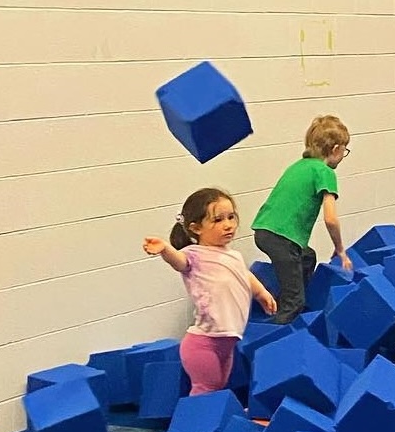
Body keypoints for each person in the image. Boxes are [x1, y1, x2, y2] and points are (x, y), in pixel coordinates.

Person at [143, 187, 276, 396]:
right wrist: (165, 249)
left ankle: (206, 424)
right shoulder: (194, 255)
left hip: (227, 342)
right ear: (196, 228)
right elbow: (179, 262)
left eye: (231, 217)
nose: (228, 225)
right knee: (205, 389)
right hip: (204, 344)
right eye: (218, 220)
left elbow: (243, 275)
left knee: (217, 388)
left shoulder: (233, 256)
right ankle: (192, 426)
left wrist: (261, 294)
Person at [252, 115, 353, 324]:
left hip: (264, 231)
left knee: (307, 257)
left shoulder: (299, 165)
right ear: (335, 149)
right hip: (282, 238)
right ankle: (277, 334)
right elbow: (331, 219)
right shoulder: (324, 172)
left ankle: (296, 305)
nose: (344, 155)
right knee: (293, 302)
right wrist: (340, 250)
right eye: (345, 150)